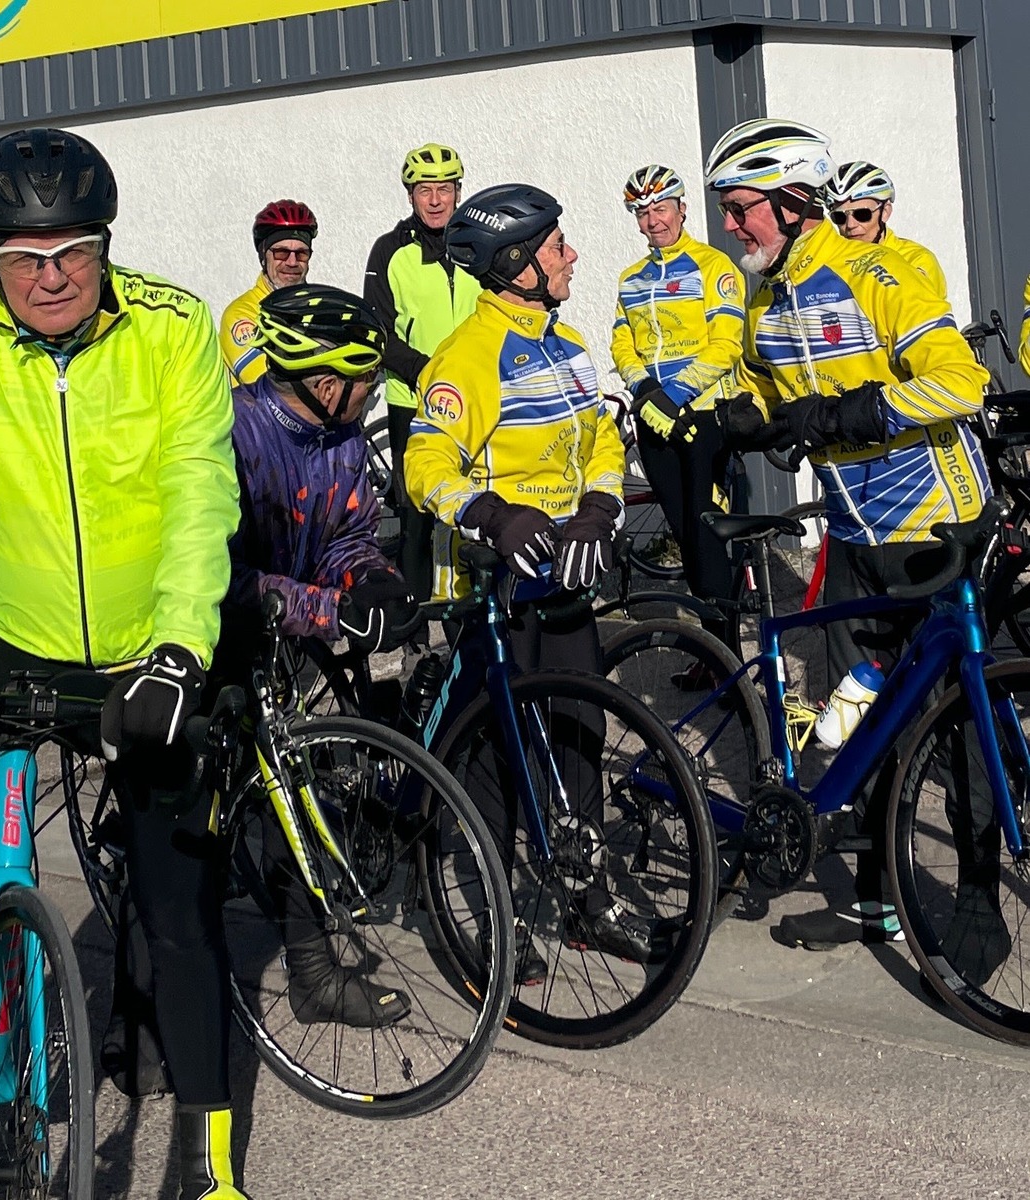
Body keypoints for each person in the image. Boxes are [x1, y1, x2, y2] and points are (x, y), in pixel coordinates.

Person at [0, 128, 247, 1199]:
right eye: (22, 258)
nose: (51, 276)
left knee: (179, 909)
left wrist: (181, 651)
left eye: (73, 250)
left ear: (105, 246)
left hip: (144, 660)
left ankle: (210, 1165)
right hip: (3, 650)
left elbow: (199, 492)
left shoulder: (172, 327)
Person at [697, 118, 992, 952]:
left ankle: (977, 898)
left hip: (933, 526)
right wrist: (742, 418)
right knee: (859, 714)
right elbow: (768, 388)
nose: (730, 225)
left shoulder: (876, 273)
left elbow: (961, 383)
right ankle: (875, 900)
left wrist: (854, 413)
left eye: (741, 207)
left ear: (793, 202)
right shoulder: (764, 298)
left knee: (956, 723)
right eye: (727, 210)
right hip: (854, 539)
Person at [404, 183, 644, 974]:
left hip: (566, 581)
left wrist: (600, 508)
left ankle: (587, 899)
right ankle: (491, 919)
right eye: (557, 247)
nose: (572, 256)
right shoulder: (467, 357)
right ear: (516, 264)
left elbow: (602, 439)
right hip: (496, 591)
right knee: (492, 763)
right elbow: (425, 464)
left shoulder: (567, 345)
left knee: (579, 736)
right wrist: (491, 515)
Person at [212, 283, 418, 1026]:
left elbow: (346, 535)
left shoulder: (343, 436)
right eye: (369, 379)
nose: (375, 392)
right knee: (192, 827)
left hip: (284, 640)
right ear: (326, 384)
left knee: (295, 794)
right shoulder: (230, 434)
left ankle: (312, 974)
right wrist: (330, 610)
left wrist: (372, 579)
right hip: (209, 639)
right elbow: (221, 576)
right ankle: (136, 1013)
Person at [609, 164, 745, 645]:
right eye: (642, 213)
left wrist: (673, 394)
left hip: (702, 417)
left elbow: (726, 344)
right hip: (654, 421)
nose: (653, 221)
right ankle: (711, 653)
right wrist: (645, 388)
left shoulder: (713, 266)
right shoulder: (631, 278)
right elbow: (621, 343)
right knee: (685, 537)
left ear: (682, 209)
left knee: (707, 538)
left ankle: (728, 655)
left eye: (661, 209)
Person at [364, 143, 481, 602]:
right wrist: (425, 370)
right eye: (424, 190)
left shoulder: (476, 245)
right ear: (410, 195)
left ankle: (473, 612)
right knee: (416, 517)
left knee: (476, 507)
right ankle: (413, 624)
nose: (435, 200)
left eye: (444, 189)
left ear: (458, 192)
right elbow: (377, 330)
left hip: (475, 398)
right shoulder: (389, 250)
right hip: (411, 402)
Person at [220, 199, 318, 389]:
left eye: (301, 254)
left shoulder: (320, 307)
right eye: (281, 253)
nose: (292, 262)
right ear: (264, 256)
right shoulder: (241, 315)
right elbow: (270, 387)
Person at [823, 161, 948, 301]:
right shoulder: (828, 261)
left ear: (885, 212)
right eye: (839, 217)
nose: (850, 224)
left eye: (862, 214)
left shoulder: (916, 260)